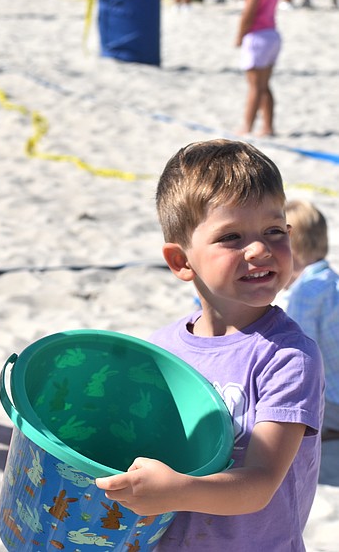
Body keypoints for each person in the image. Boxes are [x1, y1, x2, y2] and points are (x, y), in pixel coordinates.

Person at [96, 139, 324, 550]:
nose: (259, 249)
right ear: (182, 261)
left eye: (274, 231)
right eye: (232, 236)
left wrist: (177, 489)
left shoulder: (288, 356)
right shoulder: (161, 351)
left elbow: (259, 483)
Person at [284, 199, 339, 441]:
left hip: (333, 402)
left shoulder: (306, 290)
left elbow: (297, 353)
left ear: (290, 251)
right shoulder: (332, 281)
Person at [235, 0, 282, 136]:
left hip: (258, 36)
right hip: (272, 34)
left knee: (254, 86)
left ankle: (247, 127)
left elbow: (248, 15)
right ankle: (268, 127)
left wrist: (239, 36)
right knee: (264, 85)